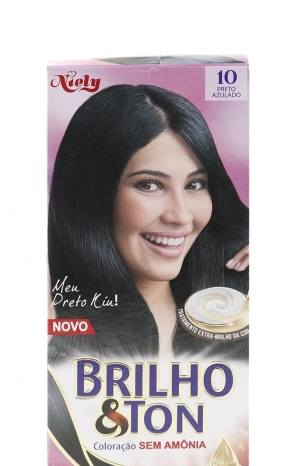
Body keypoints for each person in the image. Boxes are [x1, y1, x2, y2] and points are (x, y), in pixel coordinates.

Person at [48, 84, 249, 362]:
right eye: (149, 185)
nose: (181, 216)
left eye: (194, 184)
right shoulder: (53, 329)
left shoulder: (240, 303)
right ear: (92, 195)